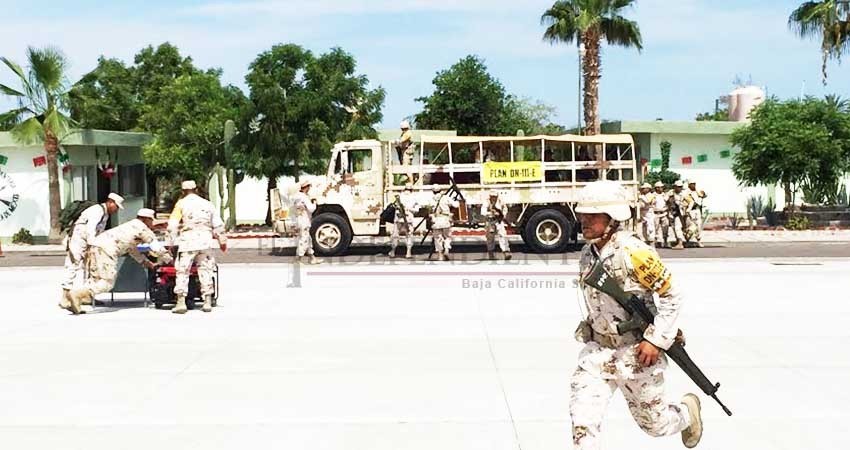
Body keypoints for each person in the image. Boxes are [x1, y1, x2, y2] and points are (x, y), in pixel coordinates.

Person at [572, 180, 703, 450]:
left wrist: (657, 339)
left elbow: (672, 295)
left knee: (656, 425)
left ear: (613, 217)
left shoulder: (636, 253)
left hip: (636, 354)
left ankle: (687, 413)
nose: (583, 220)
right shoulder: (588, 252)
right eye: (582, 214)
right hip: (597, 353)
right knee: (583, 427)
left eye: (592, 215)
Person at [67, 208, 171, 315]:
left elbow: (132, 249)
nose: (152, 224)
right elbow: (155, 246)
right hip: (106, 250)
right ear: (146, 219)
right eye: (151, 221)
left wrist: (146, 262)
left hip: (96, 247)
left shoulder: (131, 225)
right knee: (108, 282)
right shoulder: (142, 228)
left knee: (96, 279)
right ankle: (77, 294)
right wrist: (169, 259)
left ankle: (74, 301)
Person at [167, 180, 227, 314]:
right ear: (197, 190)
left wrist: (171, 243)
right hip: (205, 240)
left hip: (188, 241)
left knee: (183, 271)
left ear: (182, 192)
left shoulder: (181, 204)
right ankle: (207, 301)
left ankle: (181, 302)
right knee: (206, 269)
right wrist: (222, 240)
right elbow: (218, 225)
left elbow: (172, 225)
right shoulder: (208, 204)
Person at [60, 193, 124, 311]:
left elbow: (98, 231)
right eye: (116, 206)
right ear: (110, 202)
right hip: (78, 239)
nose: (116, 210)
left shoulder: (105, 215)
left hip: (88, 241)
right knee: (73, 265)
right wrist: (92, 244)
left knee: (88, 268)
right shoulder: (97, 211)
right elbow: (90, 229)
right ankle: (64, 297)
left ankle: (85, 296)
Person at [292, 179, 323, 264]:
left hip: (298, 220)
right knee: (304, 240)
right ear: (306, 187)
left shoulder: (296, 196)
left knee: (308, 240)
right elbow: (311, 209)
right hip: (304, 221)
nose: (309, 188)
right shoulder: (304, 197)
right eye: (309, 186)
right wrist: (314, 203)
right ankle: (297, 260)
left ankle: (312, 258)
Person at [429, 185, 459, 261]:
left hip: (436, 220)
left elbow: (429, 210)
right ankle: (446, 249)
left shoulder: (431, 199)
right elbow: (456, 205)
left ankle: (440, 255)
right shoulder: (445, 197)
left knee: (437, 238)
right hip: (445, 219)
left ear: (433, 191)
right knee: (447, 236)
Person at [388, 186, 418, 259]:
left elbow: (391, 206)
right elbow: (416, 210)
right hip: (409, 219)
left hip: (398, 219)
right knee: (409, 236)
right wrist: (409, 209)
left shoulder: (399, 197)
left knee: (395, 236)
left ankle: (393, 252)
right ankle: (408, 253)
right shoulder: (414, 198)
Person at [481, 190, 511, 260]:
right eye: (492, 196)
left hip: (498, 221)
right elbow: (483, 212)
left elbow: (505, 209)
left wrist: (502, 215)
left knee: (503, 235)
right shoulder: (487, 202)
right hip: (490, 222)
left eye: (495, 196)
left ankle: (506, 251)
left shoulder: (500, 201)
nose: (493, 198)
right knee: (490, 238)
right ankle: (491, 253)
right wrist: (491, 213)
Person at [684, 180, 707, 248]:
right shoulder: (686, 192)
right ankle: (687, 241)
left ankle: (698, 241)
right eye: (692, 184)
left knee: (698, 226)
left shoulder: (698, 192)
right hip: (690, 210)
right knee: (690, 227)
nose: (693, 185)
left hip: (697, 210)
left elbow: (703, 195)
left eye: (694, 184)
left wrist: (697, 191)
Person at [668, 180, 687, 249]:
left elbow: (688, 202)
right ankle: (678, 240)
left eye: (680, 187)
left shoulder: (684, 194)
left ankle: (680, 243)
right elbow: (666, 200)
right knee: (674, 228)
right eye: (678, 187)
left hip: (681, 213)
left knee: (678, 227)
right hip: (672, 212)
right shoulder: (670, 193)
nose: (679, 188)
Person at [395, 120, 415, 185]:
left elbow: (401, 140)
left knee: (406, 167)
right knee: (405, 167)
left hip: (407, 152)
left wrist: (396, 141)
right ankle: (409, 181)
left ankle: (411, 182)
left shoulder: (408, 133)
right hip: (404, 152)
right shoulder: (405, 133)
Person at [652, 181, 671, 248]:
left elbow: (669, 203)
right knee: (655, 228)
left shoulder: (665, 195)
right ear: (657, 188)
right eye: (660, 187)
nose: (662, 188)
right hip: (656, 213)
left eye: (662, 187)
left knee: (665, 227)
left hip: (664, 213)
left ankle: (665, 242)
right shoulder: (653, 195)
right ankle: (656, 242)